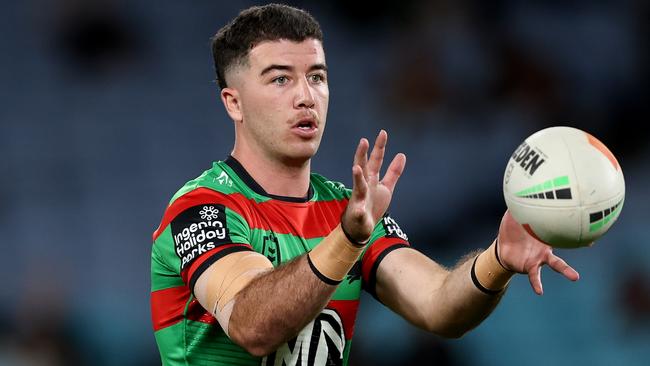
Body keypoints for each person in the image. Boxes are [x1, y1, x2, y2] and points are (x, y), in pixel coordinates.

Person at [150, 4, 580, 365]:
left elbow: (438, 305)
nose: (305, 96)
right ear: (234, 103)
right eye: (280, 78)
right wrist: (347, 239)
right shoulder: (202, 209)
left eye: (317, 77)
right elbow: (251, 325)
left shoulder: (347, 209)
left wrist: (498, 260)